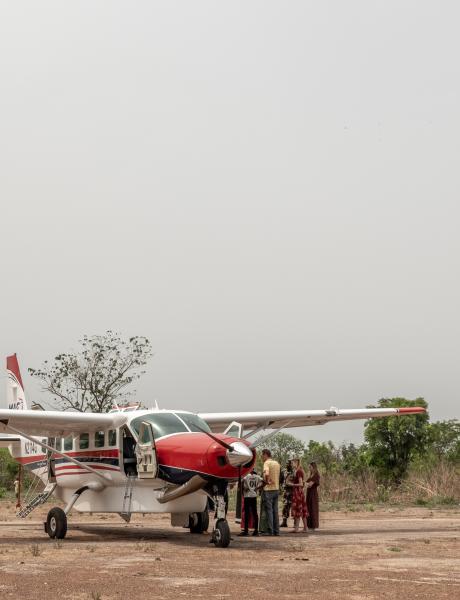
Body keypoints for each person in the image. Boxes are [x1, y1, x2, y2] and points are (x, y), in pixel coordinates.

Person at [261, 449, 281, 536]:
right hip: (276, 489)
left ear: (266, 455)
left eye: (262, 455)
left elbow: (266, 473)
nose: (262, 457)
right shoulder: (277, 463)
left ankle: (270, 531)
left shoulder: (266, 463)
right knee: (275, 511)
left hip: (268, 490)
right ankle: (277, 531)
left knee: (269, 511)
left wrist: (266, 481)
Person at [239, 469, 263, 536]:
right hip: (254, 496)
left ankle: (246, 531)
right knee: (255, 513)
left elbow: (241, 482)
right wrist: (258, 488)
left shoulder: (246, 476)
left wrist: (243, 489)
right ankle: (256, 530)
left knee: (247, 513)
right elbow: (264, 481)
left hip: (247, 496)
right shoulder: (257, 477)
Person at [290, 458, 308, 533]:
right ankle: (304, 528)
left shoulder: (299, 471)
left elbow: (301, 484)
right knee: (301, 510)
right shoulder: (297, 471)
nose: (292, 464)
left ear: (296, 462)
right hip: (299, 492)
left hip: (298, 493)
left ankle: (298, 528)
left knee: (298, 509)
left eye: (293, 462)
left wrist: (292, 484)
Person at [306, 462, 320, 530]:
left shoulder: (316, 475)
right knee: (308, 508)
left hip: (313, 494)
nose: (309, 468)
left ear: (314, 467)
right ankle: (309, 525)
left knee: (313, 508)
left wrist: (303, 484)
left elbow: (310, 484)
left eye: (310, 467)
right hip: (309, 493)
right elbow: (307, 483)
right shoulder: (311, 475)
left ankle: (313, 525)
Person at [280, 459, 294, 527]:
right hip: (285, 491)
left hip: (292, 491)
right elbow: (281, 480)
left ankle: (295, 522)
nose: (288, 464)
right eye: (287, 463)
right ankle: (284, 522)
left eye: (290, 463)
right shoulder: (283, 471)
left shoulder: (294, 472)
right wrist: (281, 488)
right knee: (285, 506)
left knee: (293, 506)